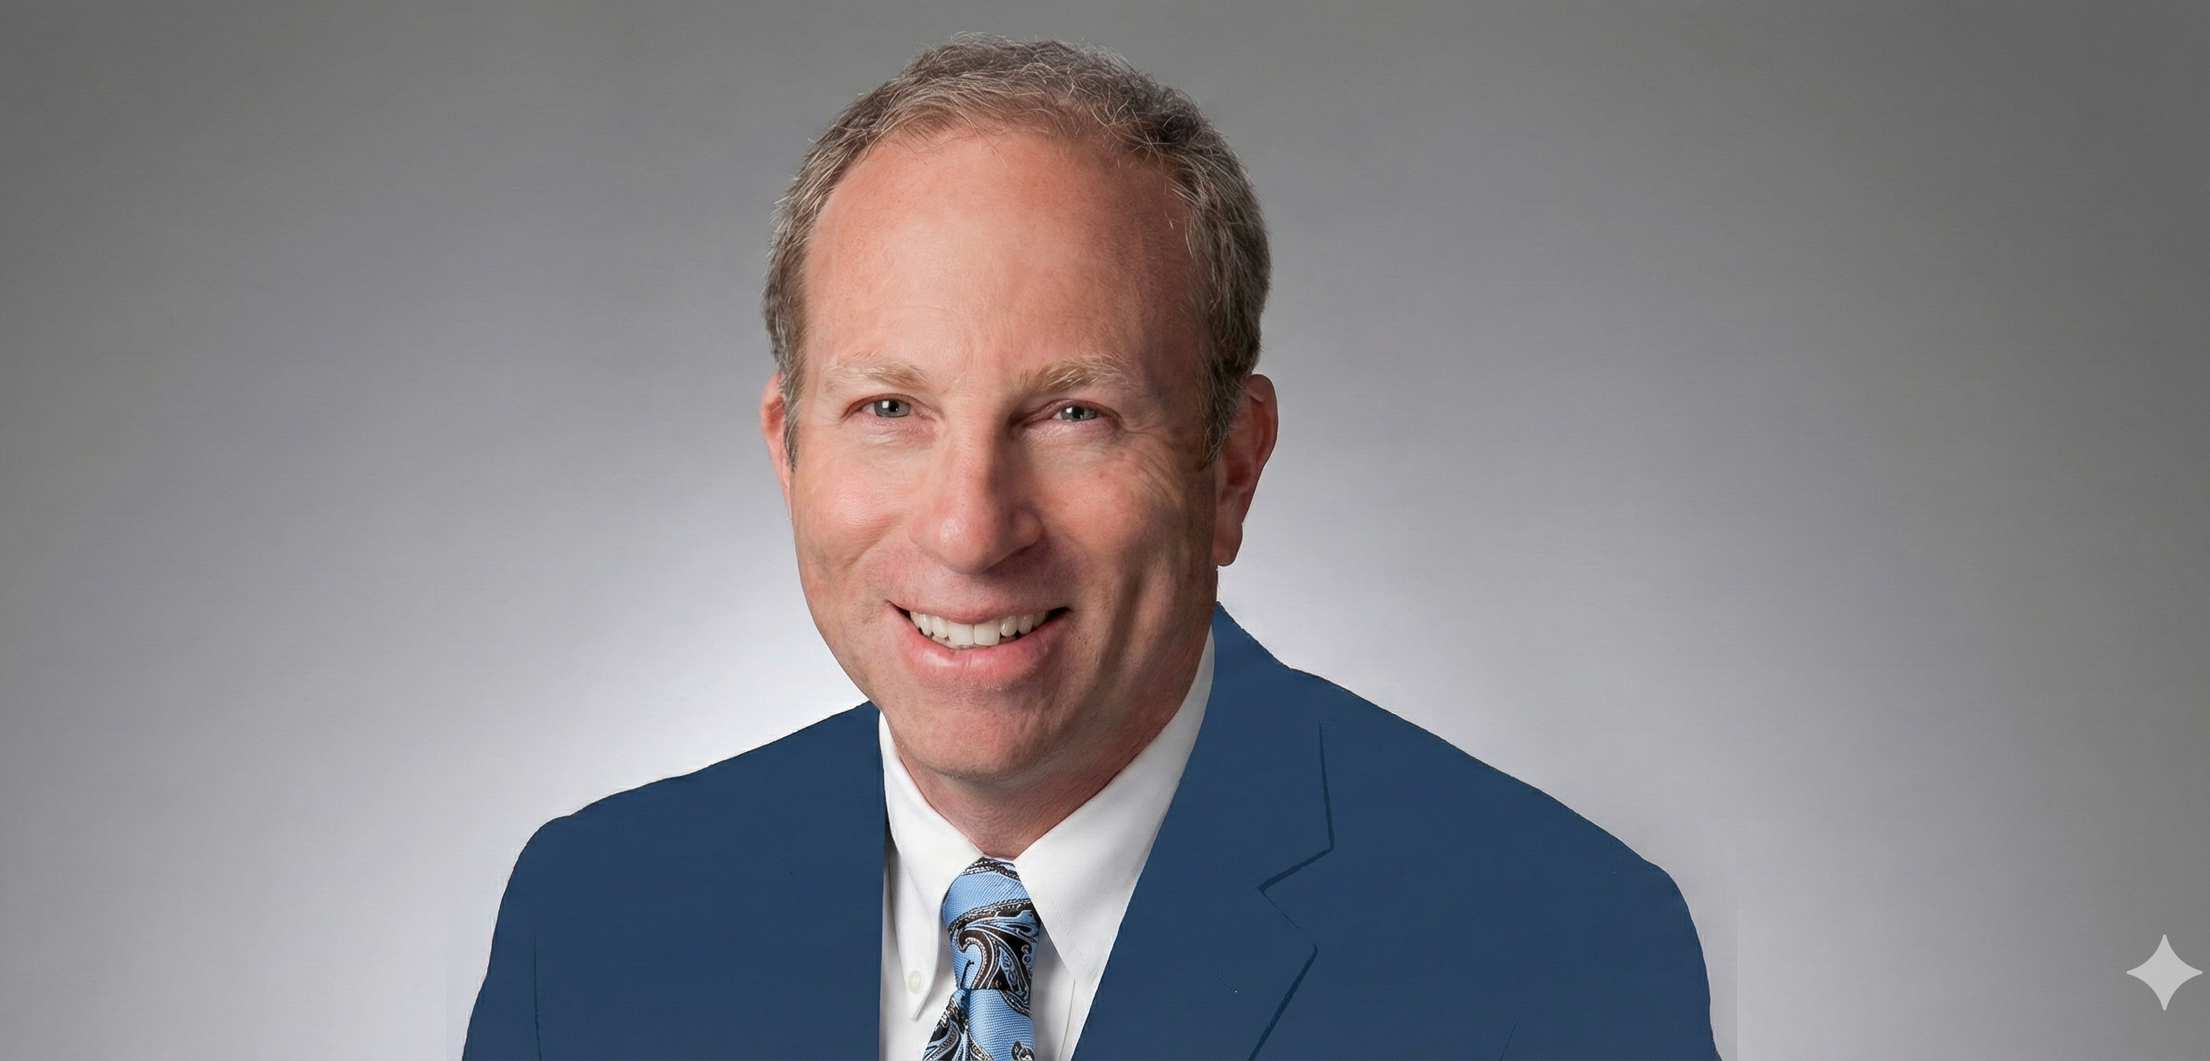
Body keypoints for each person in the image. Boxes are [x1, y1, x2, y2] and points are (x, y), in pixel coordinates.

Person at [466, 35, 1714, 1060]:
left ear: (1229, 463)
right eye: (890, 409)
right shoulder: (592, 923)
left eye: (1073, 413)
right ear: (789, 449)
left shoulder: (1552, 957)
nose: (969, 527)